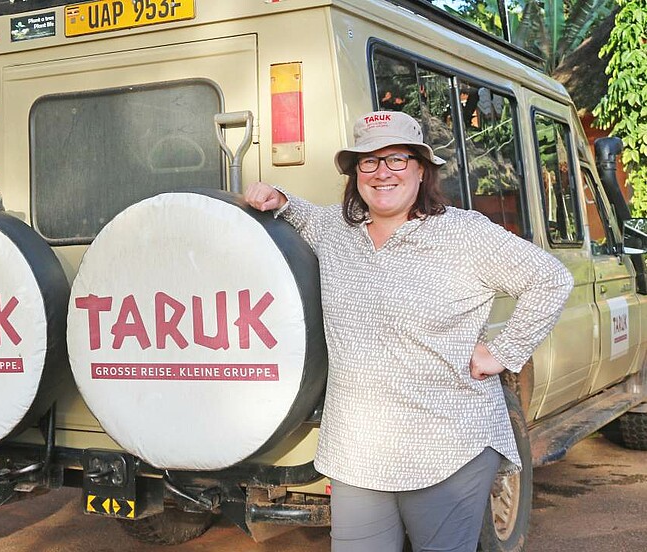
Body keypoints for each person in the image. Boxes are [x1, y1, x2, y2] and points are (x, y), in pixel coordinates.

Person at [244, 110, 573, 552]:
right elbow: (299, 214)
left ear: (422, 170)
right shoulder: (339, 231)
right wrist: (276, 195)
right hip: (358, 450)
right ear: (355, 174)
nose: (383, 173)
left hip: (446, 447)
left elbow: (551, 279)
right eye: (369, 161)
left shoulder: (463, 234)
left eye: (397, 159)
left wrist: (504, 352)